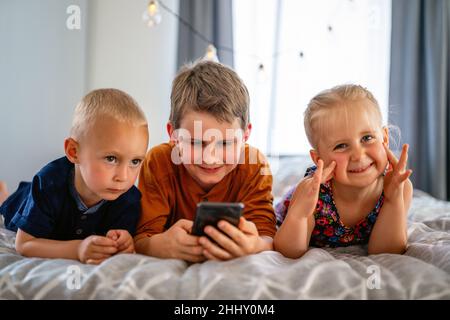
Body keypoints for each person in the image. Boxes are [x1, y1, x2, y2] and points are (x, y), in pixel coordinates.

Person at [135, 60, 277, 262]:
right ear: (173, 135)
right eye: (195, 142)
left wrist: (254, 246)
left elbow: (268, 238)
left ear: (245, 136)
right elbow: (141, 239)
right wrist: (158, 245)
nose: (210, 157)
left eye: (226, 143)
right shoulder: (159, 161)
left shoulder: (255, 164)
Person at [0, 88, 149, 264]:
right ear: (73, 152)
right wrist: (78, 249)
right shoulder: (48, 184)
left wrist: (122, 242)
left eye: (135, 161)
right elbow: (25, 245)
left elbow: (121, 240)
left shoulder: (128, 199)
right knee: (8, 208)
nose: (123, 177)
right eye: (111, 158)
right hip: (25, 198)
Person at [273, 84, 413, 258]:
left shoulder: (400, 187)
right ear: (319, 160)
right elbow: (289, 251)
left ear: (384, 138)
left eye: (367, 138)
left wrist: (393, 200)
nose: (358, 155)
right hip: (293, 210)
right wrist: (299, 214)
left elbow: (385, 252)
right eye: (341, 146)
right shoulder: (312, 193)